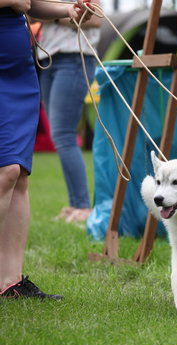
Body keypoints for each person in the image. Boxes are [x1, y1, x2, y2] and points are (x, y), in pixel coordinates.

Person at [0, 0, 92, 299]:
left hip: (19, 69)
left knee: (19, 173)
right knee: (7, 170)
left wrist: (65, 10)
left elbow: (29, 2)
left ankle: (10, 283)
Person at [38, 0, 101, 223]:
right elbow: (29, 14)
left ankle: (82, 206)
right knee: (60, 134)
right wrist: (61, 15)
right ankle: (76, 203)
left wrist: (52, 15)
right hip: (47, 59)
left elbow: (94, 19)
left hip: (75, 58)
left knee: (63, 134)